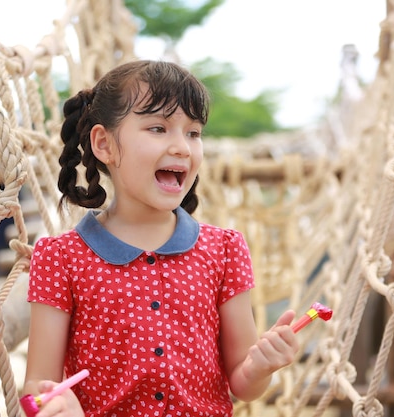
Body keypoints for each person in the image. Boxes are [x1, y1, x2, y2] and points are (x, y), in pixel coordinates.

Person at [23, 59, 299, 417]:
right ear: (104, 144)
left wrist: (262, 366)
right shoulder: (61, 257)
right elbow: (36, 386)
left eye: (194, 132)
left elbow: (243, 384)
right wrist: (53, 403)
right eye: (158, 128)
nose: (183, 147)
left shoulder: (225, 250)